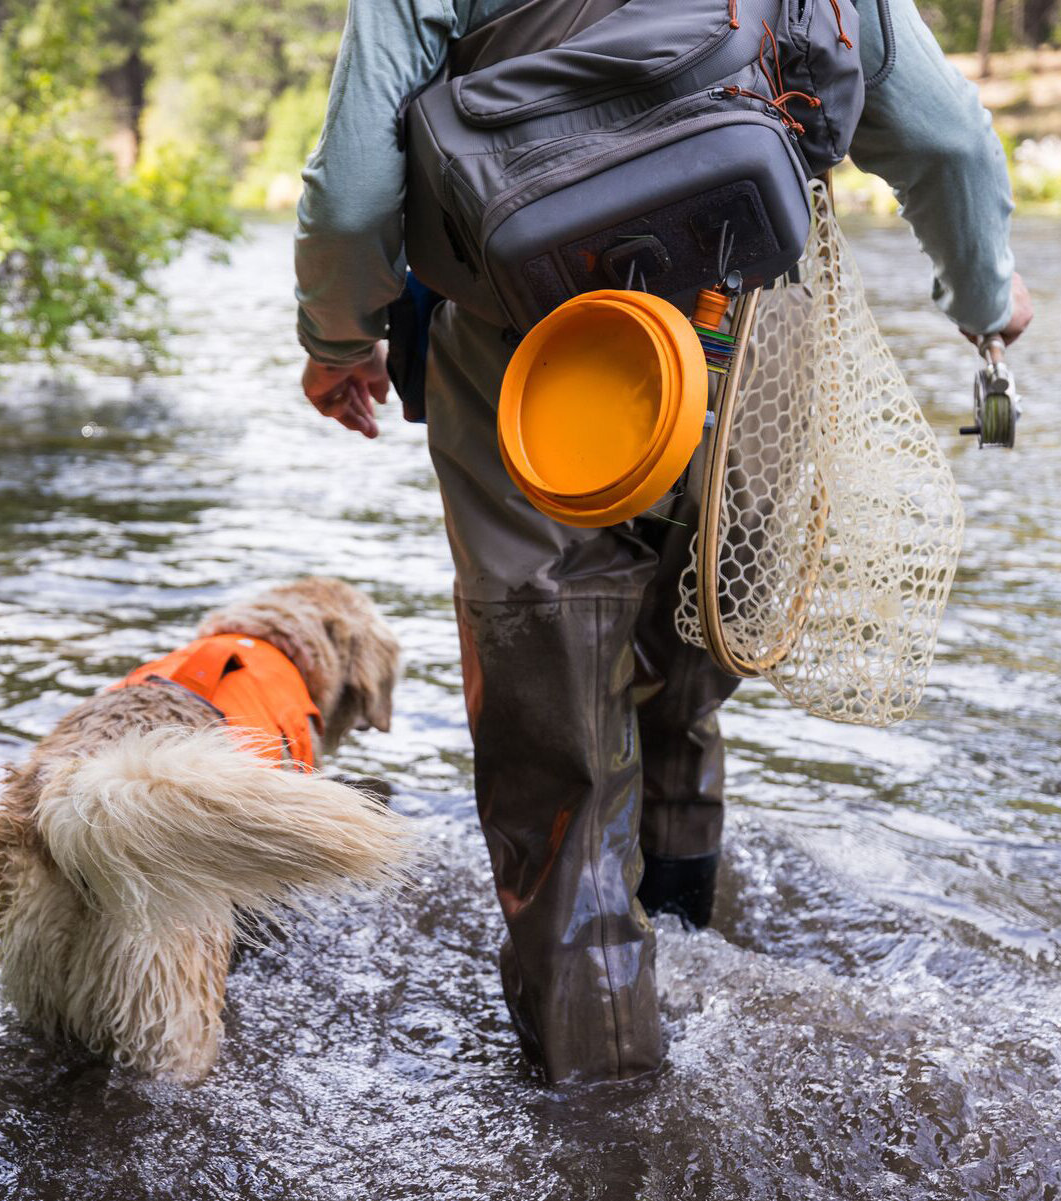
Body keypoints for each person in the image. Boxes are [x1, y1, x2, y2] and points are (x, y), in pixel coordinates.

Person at [293, 0, 1034, 1084]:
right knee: (685, 672)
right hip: (745, 340)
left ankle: (601, 1095)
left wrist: (338, 336)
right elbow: (950, 145)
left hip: (529, 357)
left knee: (559, 731)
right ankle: (693, 949)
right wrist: (985, 297)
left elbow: (353, 191)